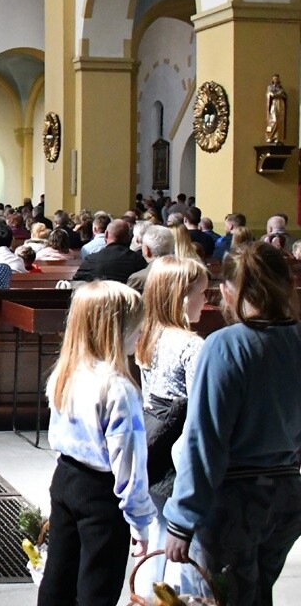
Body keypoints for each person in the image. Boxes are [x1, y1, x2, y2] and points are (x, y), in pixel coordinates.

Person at [164, 243, 301, 605]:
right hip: (286, 493)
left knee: (222, 598)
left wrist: (181, 519)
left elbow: (204, 439)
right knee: (257, 595)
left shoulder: (226, 346)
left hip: (234, 499)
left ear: (227, 291)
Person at [38, 280, 154, 606]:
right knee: (98, 586)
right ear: (114, 329)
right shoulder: (118, 388)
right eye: (136, 327)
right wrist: (140, 522)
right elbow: (128, 465)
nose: (141, 333)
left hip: (65, 478)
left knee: (58, 578)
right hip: (102, 494)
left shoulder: (67, 371)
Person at [131, 256, 209, 601]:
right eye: (201, 293)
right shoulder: (192, 345)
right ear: (180, 297)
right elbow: (202, 406)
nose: (207, 301)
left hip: (153, 438)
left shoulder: (148, 334)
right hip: (180, 445)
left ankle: (148, 596)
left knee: (159, 530)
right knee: (189, 538)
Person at [73, 219, 147, 283]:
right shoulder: (138, 260)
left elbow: (76, 282)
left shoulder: (91, 259)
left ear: (106, 234)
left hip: (100, 298)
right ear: (128, 237)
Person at [266, 73, 287, 144]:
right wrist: (279, 93)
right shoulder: (270, 87)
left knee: (280, 121)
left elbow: (284, 95)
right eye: (275, 79)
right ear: (272, 79)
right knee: (274, 120)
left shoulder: (280, 87)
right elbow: (271, 94)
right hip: (274, 104)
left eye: (277, 79)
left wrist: (280, 93)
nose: (276, 80)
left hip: (280, 104)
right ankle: (270, 136)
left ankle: (277, 137)